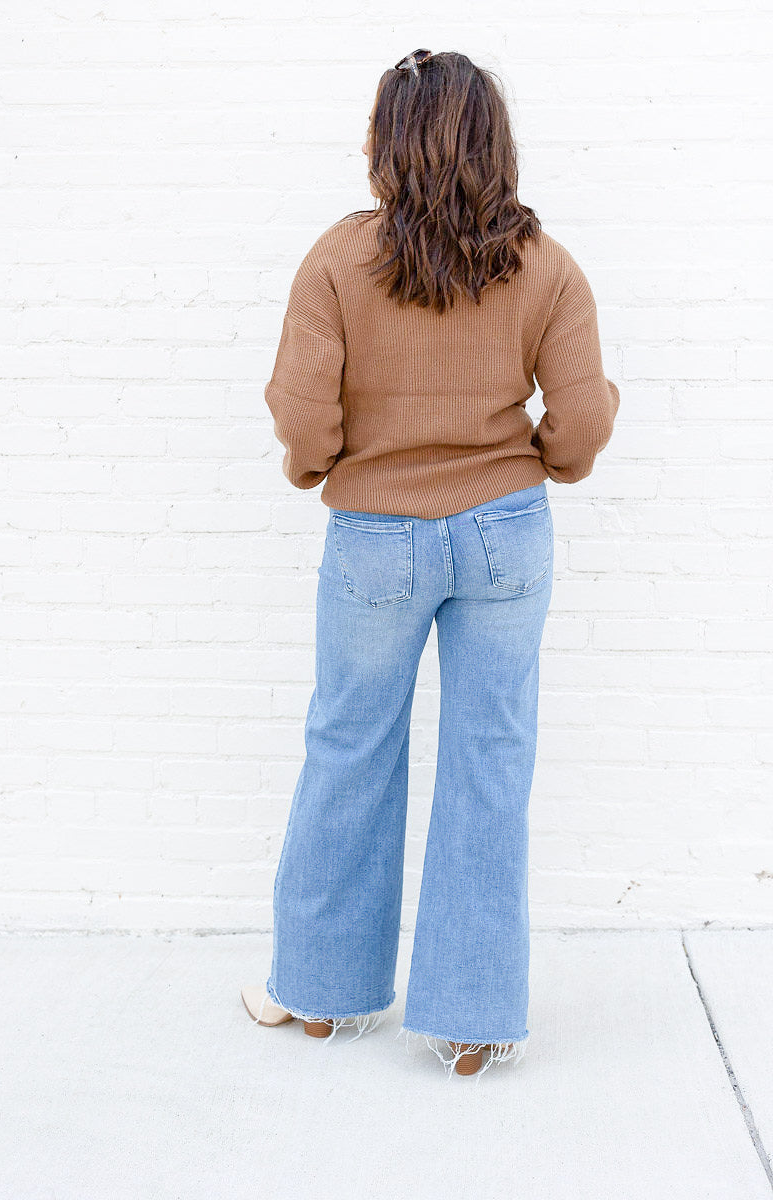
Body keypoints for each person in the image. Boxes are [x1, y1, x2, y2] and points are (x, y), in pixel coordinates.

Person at [241, 48, 620, 1078]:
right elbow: (581, 419)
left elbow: (297, 411)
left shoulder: (334, 259)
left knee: (346, 750)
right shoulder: (545, 267)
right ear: (494, 145)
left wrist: (319, 466)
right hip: (505, 531)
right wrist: (540, 462)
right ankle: (471, 1019)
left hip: (374, 538)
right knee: (489, 764)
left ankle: (316, 996)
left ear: (383, 145)